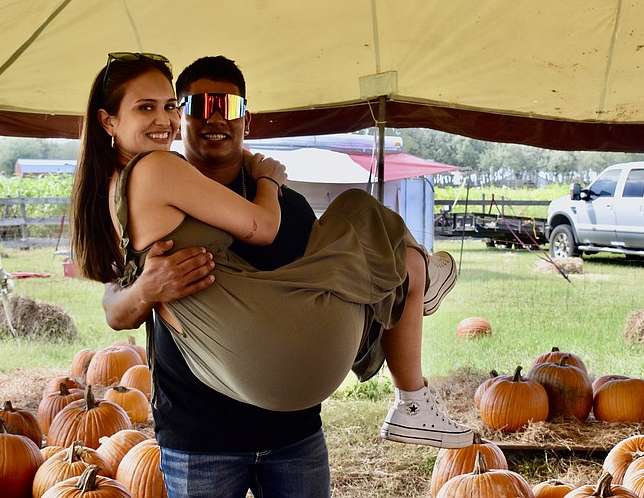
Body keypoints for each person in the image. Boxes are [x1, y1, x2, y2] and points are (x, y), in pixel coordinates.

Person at [71, 53, 471, 497]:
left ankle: (409, 281)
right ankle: (412, 292)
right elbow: (115, 307)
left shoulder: (289, 207)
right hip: (200, 433)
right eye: (197, 105)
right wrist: (146, 288)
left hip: (291, 434)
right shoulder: (160, 175)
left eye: (230, 107)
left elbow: (326, 285)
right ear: (110, 122)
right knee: (364, 214)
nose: (215, 118)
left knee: (376, 244)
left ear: (248, 119)